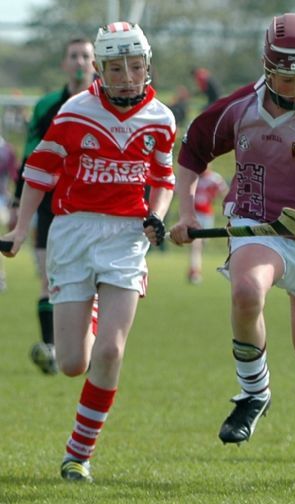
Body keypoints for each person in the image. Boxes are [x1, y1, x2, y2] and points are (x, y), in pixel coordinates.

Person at [169, 12, 295, 491]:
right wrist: (187, 213)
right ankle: (253, 392)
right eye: (287, 77)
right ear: (268, 68)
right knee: (246, 289)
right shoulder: (240, 107)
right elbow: (192, 152)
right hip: (255, 224)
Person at [1, 21, 176, 483]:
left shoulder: (161, 119)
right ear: (100, 68)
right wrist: (19, 230)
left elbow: (162, 178)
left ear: (147, 65)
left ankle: (78, 454)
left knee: (111, 351)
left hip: (125, 238)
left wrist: (157, 214)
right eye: (115, 68)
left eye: (134, 66)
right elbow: (39, 171)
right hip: (73, 232)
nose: (126, 77)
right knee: (71, 363)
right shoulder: (75, 112)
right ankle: (92, 308)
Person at [10, 37, 95, 375]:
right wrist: (18, 202)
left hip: (92, 204)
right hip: (50, 204)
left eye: (85, 56)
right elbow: (31, 155)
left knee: (96, 280)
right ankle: (52, 349)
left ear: (95, 64)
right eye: (73, 55)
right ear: (64, 63)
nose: (79, 62)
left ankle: (89, 348)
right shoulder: (47, 105)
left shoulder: (105, 104)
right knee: (48, 277)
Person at [187, 167, 229, 284]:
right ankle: (195, 271)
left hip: (207, 215)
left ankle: (194, 268)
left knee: (202, 243)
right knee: (196, 243)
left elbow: (225, 193)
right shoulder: (192, 177)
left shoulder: (214, 178)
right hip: (194, 214)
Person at [0, 132, 18, 292]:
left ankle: (0, 277)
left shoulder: (7, 150)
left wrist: (15, 201)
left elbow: (14, 175)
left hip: (2, 198)